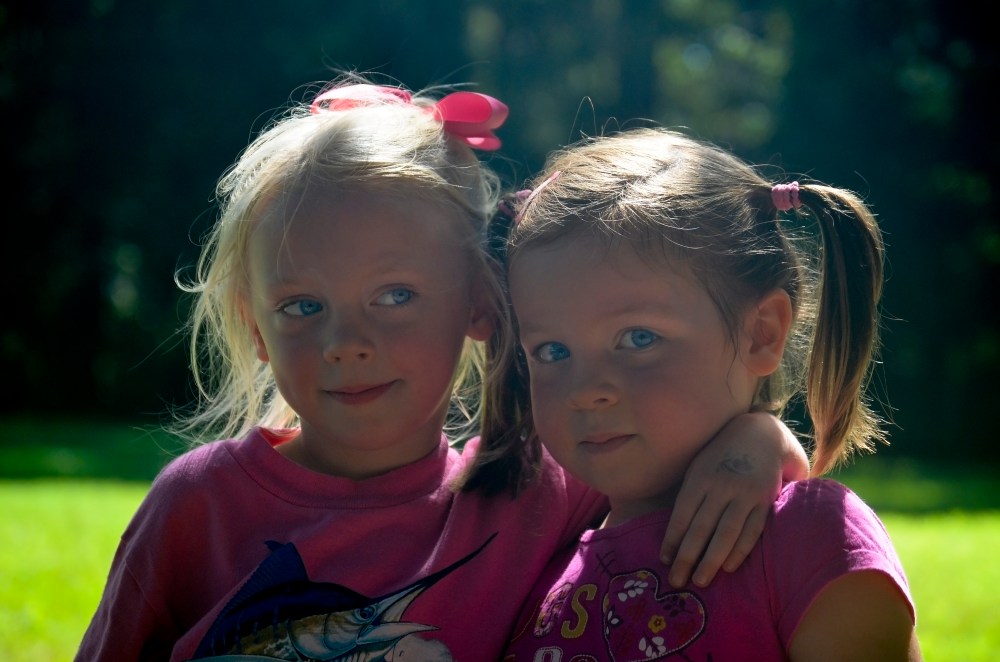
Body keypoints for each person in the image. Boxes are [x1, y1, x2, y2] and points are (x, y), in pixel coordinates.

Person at [75, 79, 806, 661]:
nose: (346, 342)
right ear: (254, 325)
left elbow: (678, 450)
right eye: (302, 305)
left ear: (482, 305)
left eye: (396, 296)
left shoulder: (541, 491)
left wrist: (756, 440)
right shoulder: (195, 505)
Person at [496, 128, 920, 660]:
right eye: (552, 351)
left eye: (638, 339)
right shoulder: (538, 554)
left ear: (761, 333)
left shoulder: (809, 539)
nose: (585, 392)